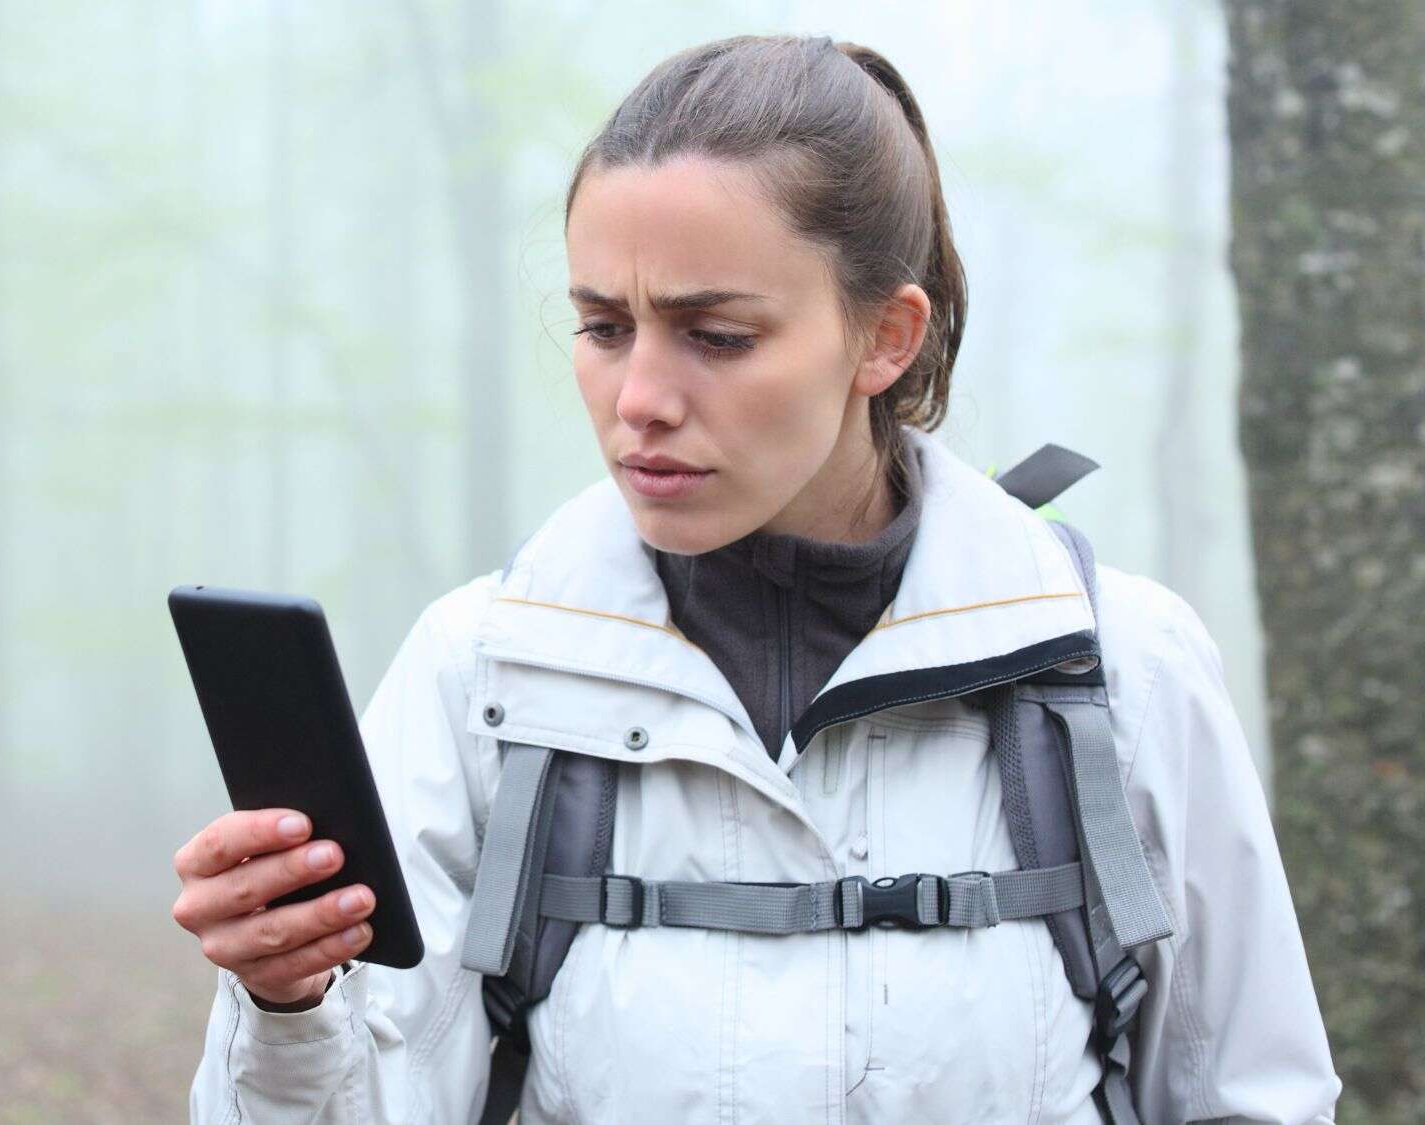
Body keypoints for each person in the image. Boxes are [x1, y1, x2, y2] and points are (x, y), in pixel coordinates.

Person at [171, 33, 1341, 1123]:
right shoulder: (483, 673)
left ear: (884, 337)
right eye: (601, 325)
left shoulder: (1115, 667)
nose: (637, 398)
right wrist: (285, 1001)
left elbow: (1252, 1094)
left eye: (714, 334)